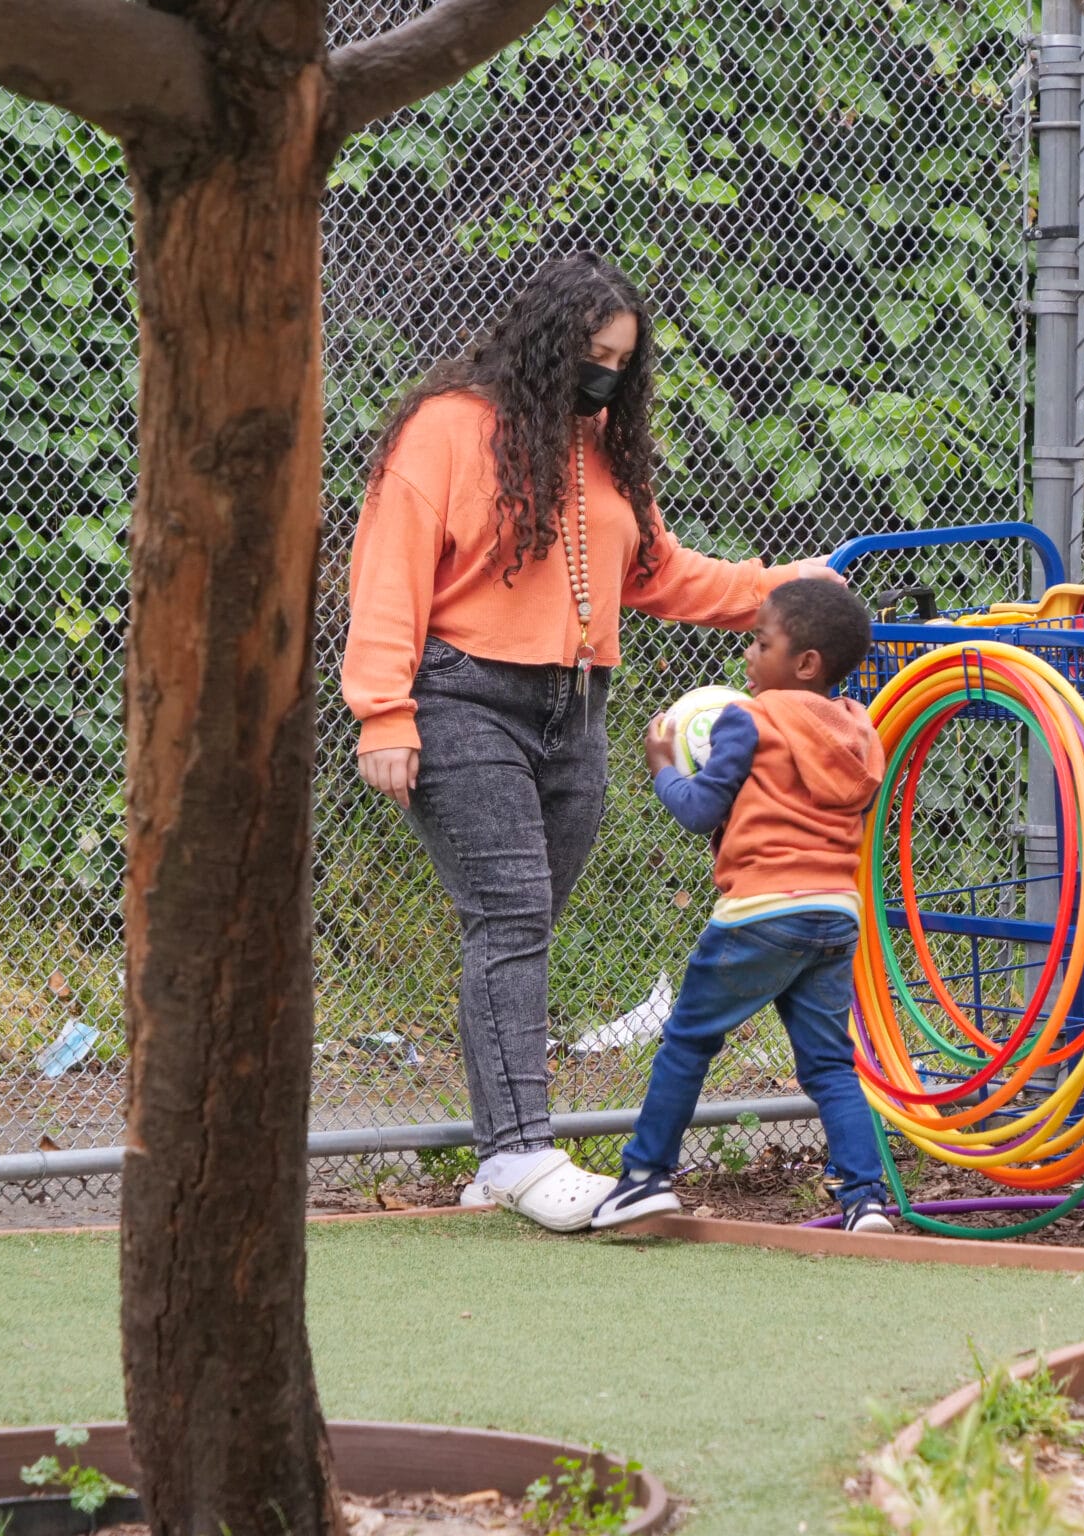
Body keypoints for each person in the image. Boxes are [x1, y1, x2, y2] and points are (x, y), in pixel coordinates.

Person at [342, 254, 841, 1232]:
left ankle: (495, 1160)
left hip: (573, 707)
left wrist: (777, 591)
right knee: (513, 911)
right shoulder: (446, 430)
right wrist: (383, 713)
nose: (602, 377)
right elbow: (389, 573)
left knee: (516, 924)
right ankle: (524, 1152)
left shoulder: (600, 442)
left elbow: (653, 571)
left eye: (618, 362)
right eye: (588, 357)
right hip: (460, 699)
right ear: (541, 343)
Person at [592, 578, 893, 1234]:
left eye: (761, 644)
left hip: (760, 913)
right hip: (835, 915)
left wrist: (665, 765)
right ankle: (866, 1199)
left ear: (804, 662)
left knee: (687, 1042)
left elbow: (700, 811)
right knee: (829, 1064)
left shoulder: (747, 719)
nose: (749, 657)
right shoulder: (859, 731)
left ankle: (644, 1178)